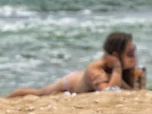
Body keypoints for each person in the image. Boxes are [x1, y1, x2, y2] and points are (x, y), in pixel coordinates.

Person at [7, 32, 137, 98]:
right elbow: (109, 92)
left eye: (134, 51)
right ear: (115, 55)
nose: (134, 57)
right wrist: (117, 68)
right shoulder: (96, 68)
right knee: (39, 93)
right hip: (67, 85)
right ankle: (6, 99)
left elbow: (128, 90)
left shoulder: (123, 72)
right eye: (130, 53)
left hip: (78, 80)